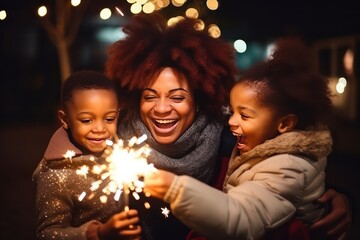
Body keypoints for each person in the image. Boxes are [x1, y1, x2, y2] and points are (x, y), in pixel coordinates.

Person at [105, 13, 351, 239]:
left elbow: (285, 177)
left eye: (177, 97)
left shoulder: (231, 138)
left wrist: (338, 199)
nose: (161, 108)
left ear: (198, 100)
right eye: (149, 97)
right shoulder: (112, 138)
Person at [32, 70, 141, 240]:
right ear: (64, 119)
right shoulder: (56, 174)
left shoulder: (118, 154)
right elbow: (47, 234)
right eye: (87, 120)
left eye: (109, 119)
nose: (99, 129)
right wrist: (99, 233)